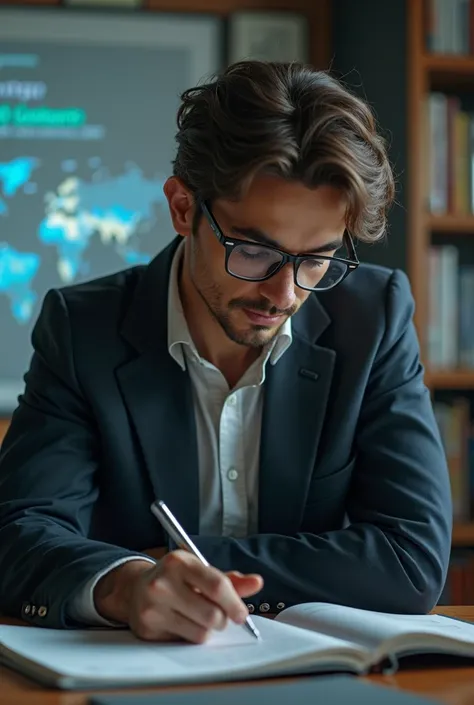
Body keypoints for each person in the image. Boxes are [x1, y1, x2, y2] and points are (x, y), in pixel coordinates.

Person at [0, 61, 452, 644]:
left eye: (318, 257)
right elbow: (18, 532)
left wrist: (169, 563)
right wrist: (127, 586)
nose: (285, 293)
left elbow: (410, 557)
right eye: (254, 250)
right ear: (183, 208)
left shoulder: (373, 317)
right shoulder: (83, 328)